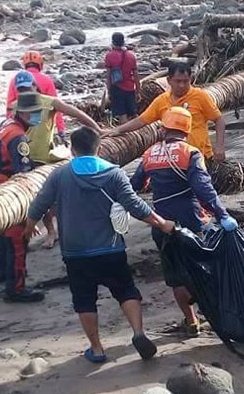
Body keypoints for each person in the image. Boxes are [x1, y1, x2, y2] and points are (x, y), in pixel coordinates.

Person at [26, 127, 175, 364]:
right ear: (98, 148)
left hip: (75, 251)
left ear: (72, 150)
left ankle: (96, 349)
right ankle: (138, 333)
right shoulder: (114, 174)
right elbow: (135, 205)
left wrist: (28, 229)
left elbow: (39, 204)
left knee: (84, 299)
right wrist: (162, 223)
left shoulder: (60, 175)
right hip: (111, 247)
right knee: (125, 290)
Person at [130, 107, 239, 336]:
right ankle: (216, 314)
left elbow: (134, 186)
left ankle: (191, 321)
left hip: (162, 224)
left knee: (176, 275)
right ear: (187, 130)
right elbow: (204, 190)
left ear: (163, 129)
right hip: (192, 221)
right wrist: (222, 215)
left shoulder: (149, 155)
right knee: (205, 267)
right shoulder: (190, 153)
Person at [10, 71, 104, 249]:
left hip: (49, 158)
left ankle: (65, 228)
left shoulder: (49, 102)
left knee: (58, 196)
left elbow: (76, 113)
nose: (24, 92)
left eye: (27, 88)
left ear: (35, 86)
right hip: (28, 159)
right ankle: (51, 231)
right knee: (40, 198)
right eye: (20, 89)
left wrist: (97, 129)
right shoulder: (16, 107)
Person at [106, 61, 226, 163]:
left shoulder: (200, 96)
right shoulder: (162, 101)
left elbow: (219, 119)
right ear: (169, 80)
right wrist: (117, 130)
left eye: (186, 81)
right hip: (174, 158)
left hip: (200, 157)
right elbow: (141, 120)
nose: (182, 85)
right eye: (178, 81)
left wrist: (219, 147)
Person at [0, 90, 45, 303]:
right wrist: (30, 213)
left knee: (2, 232)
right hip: (9, 190)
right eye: (35, 113)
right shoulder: (18, 137)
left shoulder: (3, 126)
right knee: (17, 238)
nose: (38, 116)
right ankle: (16, 288)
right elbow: (22, 175)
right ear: (25, 114)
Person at [7, 51, 66, 137]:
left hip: (22, 126)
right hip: (43, 126)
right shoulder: (47, 80)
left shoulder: (15, 80)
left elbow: (9, 109)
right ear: (40, 64)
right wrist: (61, 130)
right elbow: (57, 108)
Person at [100, 32, 139, 124]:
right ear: (123, 42)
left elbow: (108, 76)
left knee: (122, 115)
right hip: (130, 87)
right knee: (133, 113)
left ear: (113, 42)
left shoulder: (109, 56)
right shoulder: (131, 55)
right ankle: (137, 133)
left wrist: (109, 92)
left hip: (117, 88)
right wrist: (138, 90)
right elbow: (136, 75)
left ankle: (127, 135)